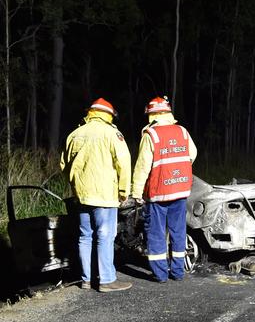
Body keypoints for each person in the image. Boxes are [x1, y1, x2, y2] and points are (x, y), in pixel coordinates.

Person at [60, 98, 133, 292]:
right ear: (108, 115)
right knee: (105, 235)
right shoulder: (112, 134)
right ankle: (107, 280)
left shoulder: (74, 134)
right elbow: (124, 163)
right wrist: (124, 191)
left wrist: (76, 185)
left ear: (90, 113)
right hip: (105, 195)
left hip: (82, 195)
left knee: (85, 236)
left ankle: (86, 279)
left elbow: (64, 165)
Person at [131, 96, 197, 282]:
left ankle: (160, 274)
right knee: (178, 231)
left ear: (152, 114)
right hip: (180, 190)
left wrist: (136, 192)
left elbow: (143, 166)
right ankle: (177, 272)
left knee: (156, 233)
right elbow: (192, 153)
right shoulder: (182, 131)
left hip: (158, 193)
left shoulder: (150, 134)